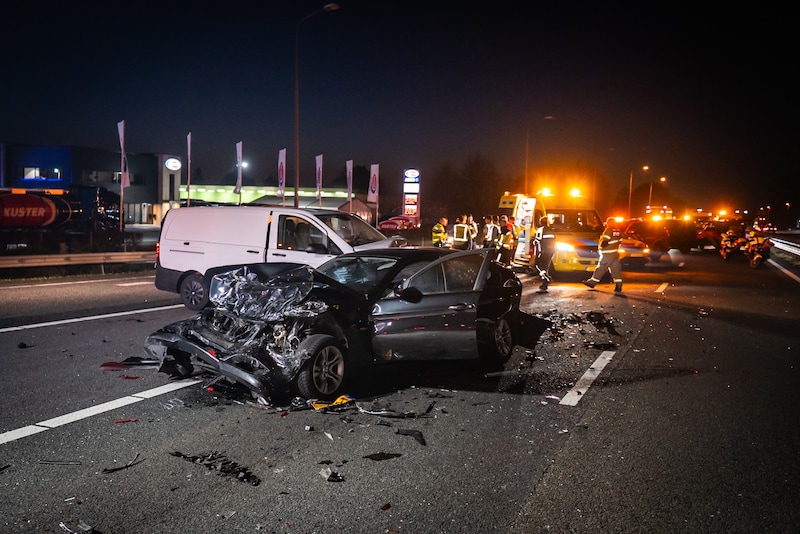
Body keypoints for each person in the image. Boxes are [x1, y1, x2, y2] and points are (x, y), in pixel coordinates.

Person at [583, 216, 623, 292]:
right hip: (614, 253)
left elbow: (605, 241)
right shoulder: (618, 231)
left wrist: (601, 246)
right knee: (615, 270)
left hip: (607, 253)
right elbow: (620, 240)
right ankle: (619, 285)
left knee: (601, 268)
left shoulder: (609, 230)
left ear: (609, 223)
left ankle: (592, 282)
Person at [533, 216, 555, 291]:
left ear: (540, 222)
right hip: (551, 251)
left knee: (537, 266)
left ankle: (546, 278)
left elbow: (537, 241)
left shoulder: (540, 230)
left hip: (542, 251)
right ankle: (544, 284)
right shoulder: (551, 230)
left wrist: (538, 251)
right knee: (545, 267)